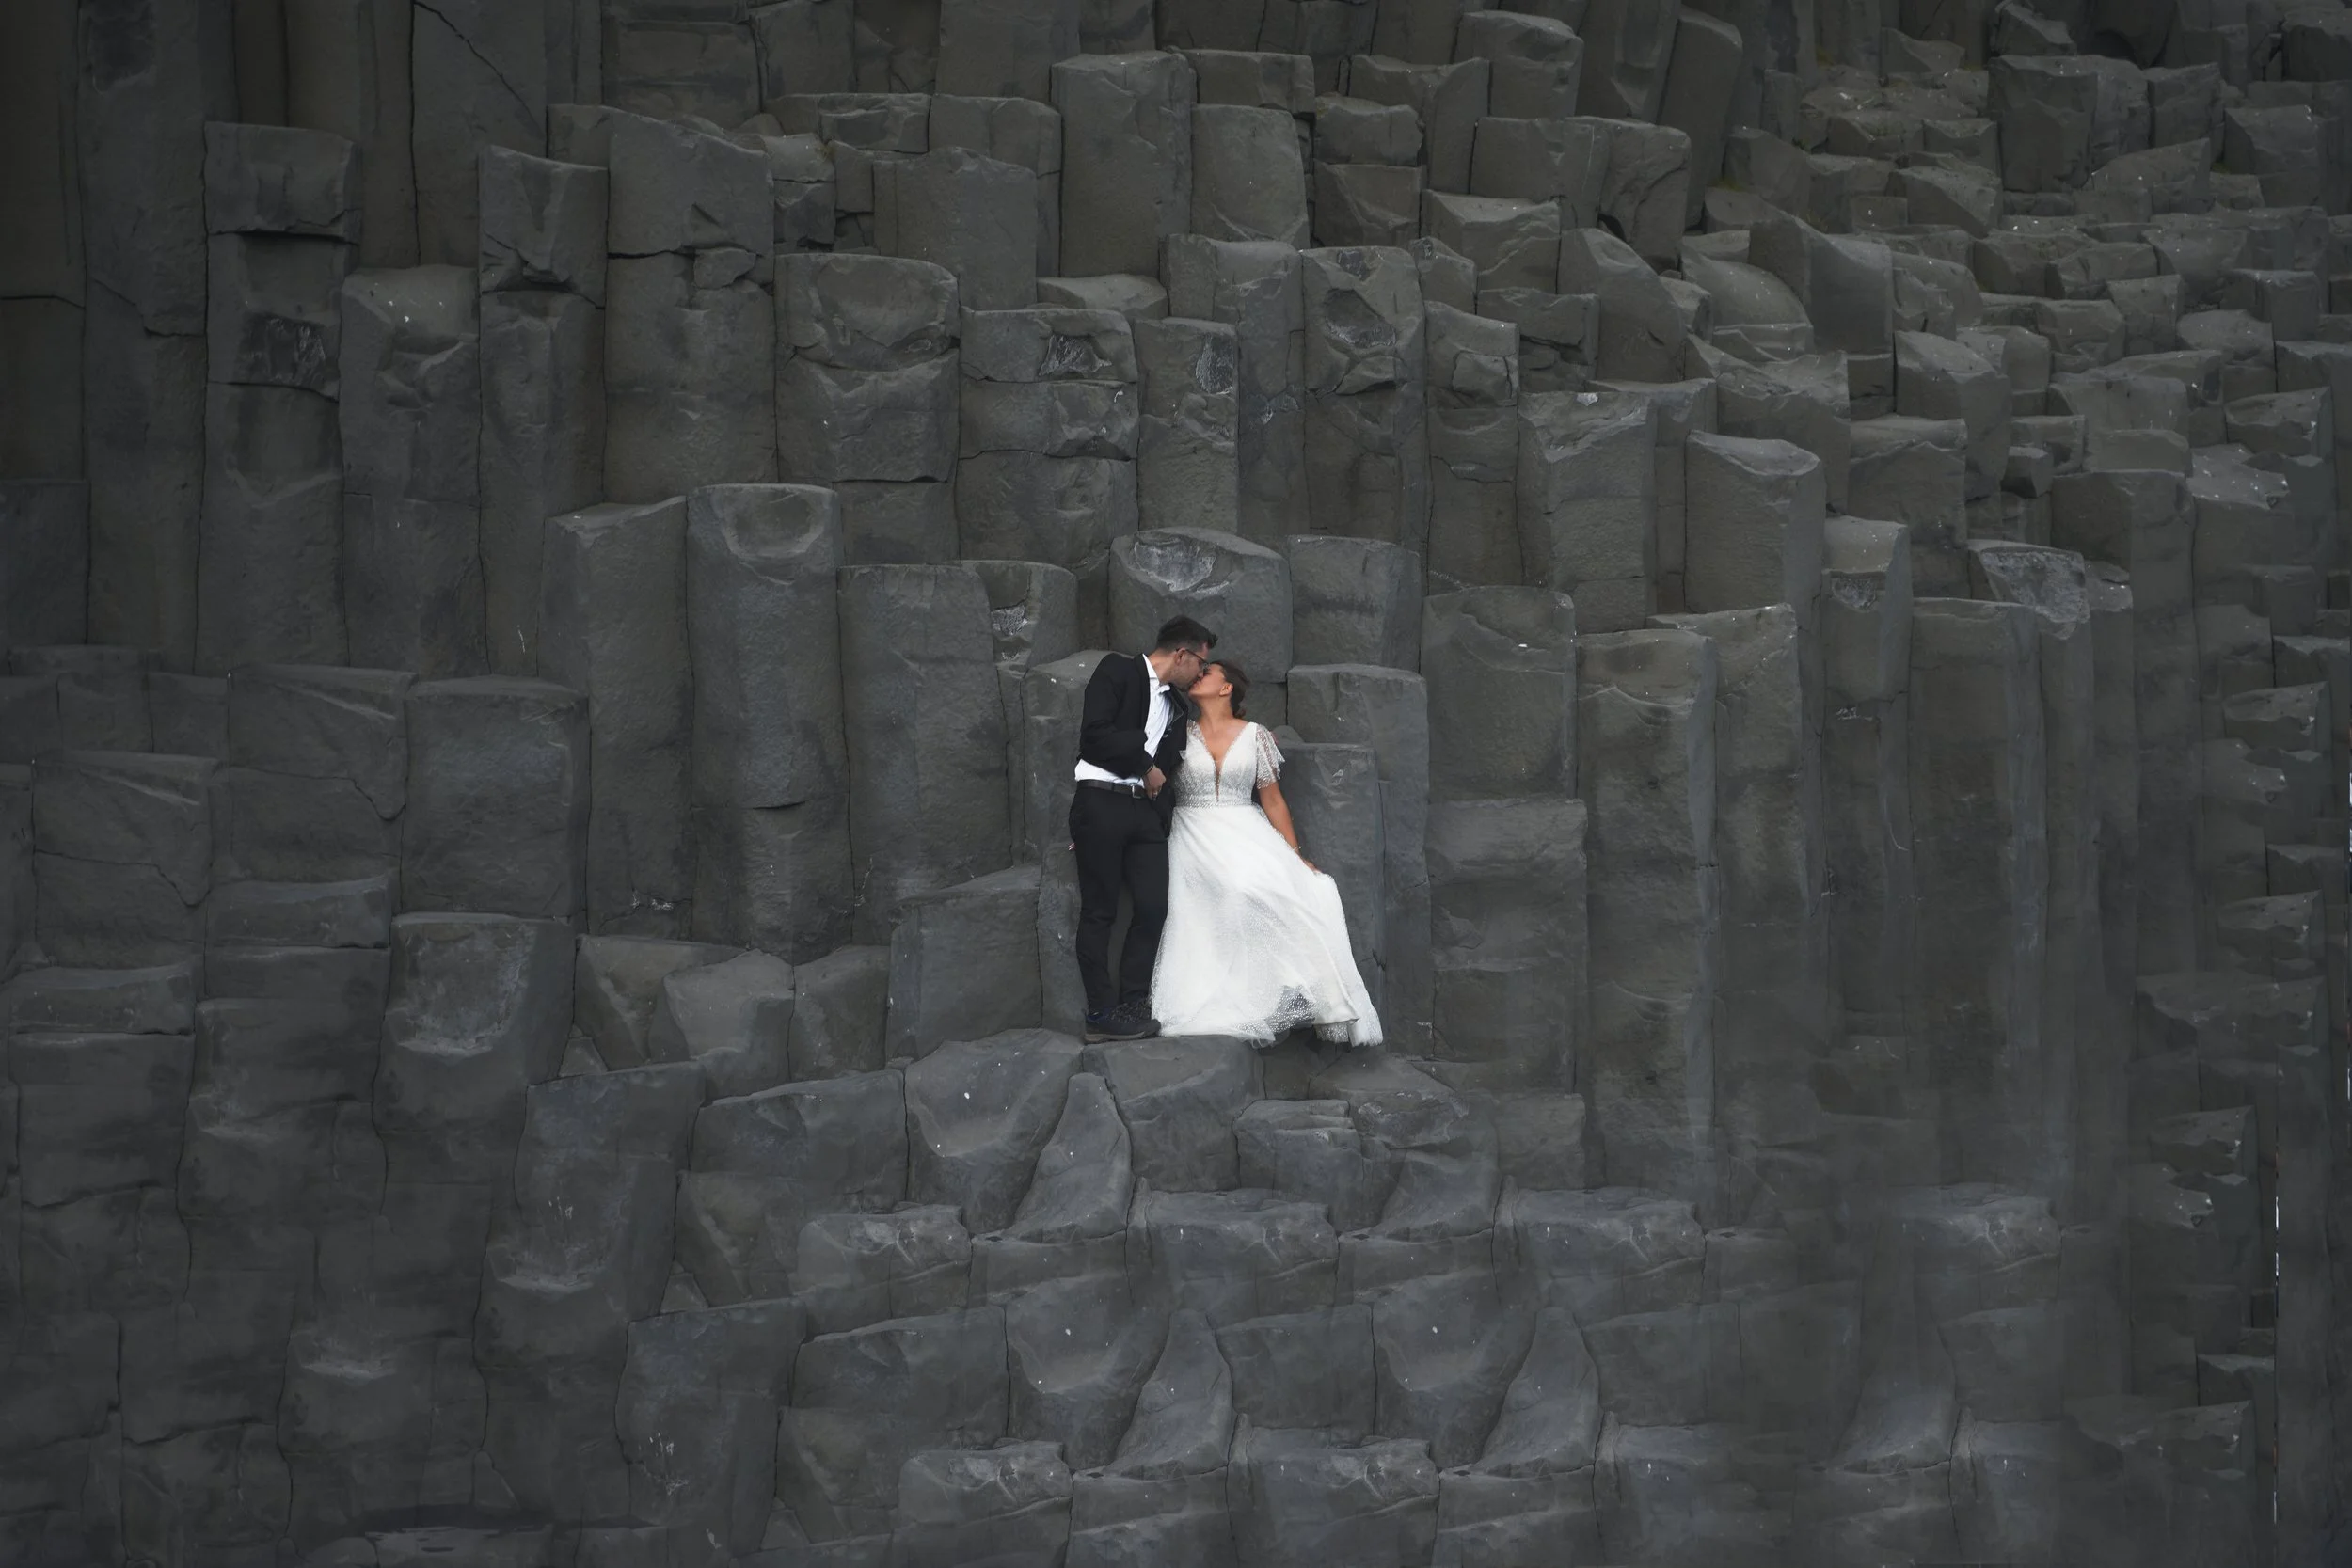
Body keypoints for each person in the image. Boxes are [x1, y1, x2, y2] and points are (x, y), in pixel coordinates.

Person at [1149, 659, 1382, 1046]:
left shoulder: (1256, 736)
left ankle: (1290, 992)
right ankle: (1231, 999)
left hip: (1247, 830)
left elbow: (1272, 801)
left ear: (1227, 689)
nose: (1198, 674)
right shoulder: (1177, 733)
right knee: (1234, 892)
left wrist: (1295, 854)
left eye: (1208, 672)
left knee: (1306, 889)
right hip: (1193, 833)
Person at [1070, 615, 1216, 1043]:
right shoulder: (1116, 670)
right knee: (1100, 911)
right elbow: (1094, 736)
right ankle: (1100, 1013)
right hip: (1101, 801)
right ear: (1182, 654)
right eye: (1200, 664)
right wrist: (1144, 765)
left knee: (1153, 907)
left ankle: (1134, 1002)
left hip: (1145, 816)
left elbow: (1170, 765)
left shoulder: (1177, 704)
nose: (1201, 673)